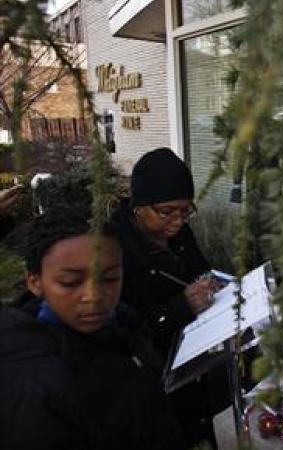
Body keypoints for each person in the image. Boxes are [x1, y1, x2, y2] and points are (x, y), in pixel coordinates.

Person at [0, 207, 185, 450]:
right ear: (35, 282)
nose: (94, 296)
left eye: (109, 278)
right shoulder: (32, 391)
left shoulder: (124, 324)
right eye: (70, 282)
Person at [110, 147, 220, 448]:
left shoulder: (179, 233)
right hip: (150, 382)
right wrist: (181, 306)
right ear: (138, 206)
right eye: (167, 211)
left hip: (194, 366)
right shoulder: (111, 249)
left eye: (186, 210)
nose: (178, 221)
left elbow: (200, 268)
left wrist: (210, 283)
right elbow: (118, 332)